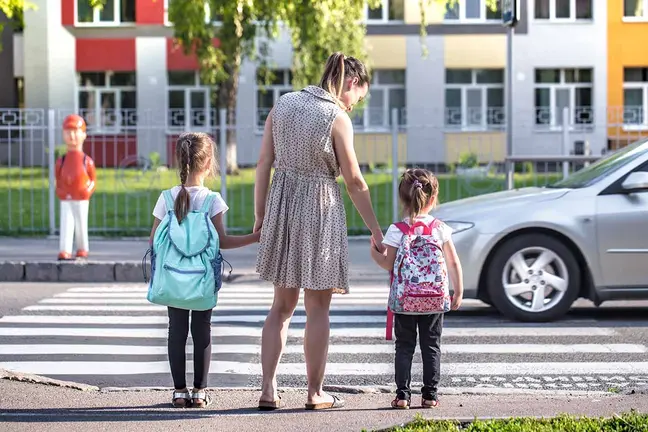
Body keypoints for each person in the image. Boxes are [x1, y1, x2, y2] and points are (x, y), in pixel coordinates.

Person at [253, 52, 385, 410]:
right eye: (360, 95)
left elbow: (264, 162)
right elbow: (355, 181)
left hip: (282, 203)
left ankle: (268, 389)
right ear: (352, 84)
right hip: (319, 209)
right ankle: (314, 393)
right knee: (317, 308)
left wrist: (260, 214)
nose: (357, 103)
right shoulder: (337, 117)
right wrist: (375, 230)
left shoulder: (284, 104)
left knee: (280, 306)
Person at [149, 132, 260, 408]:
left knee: (176, 331)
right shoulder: (212, 201)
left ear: (179, 161)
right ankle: (199, 392)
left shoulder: (166, 198)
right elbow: (222, 241)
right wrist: (254, 237)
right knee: (202, 332)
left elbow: (153, 241)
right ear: (209, 163)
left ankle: (178, 392)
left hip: (173, 279)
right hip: (202, 280)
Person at [370, 168, 464, 409]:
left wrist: (374, 254)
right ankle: (430, 396)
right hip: (433, 300)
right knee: (431, 346)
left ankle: (402, 397)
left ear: (402, 199)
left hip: (405, 301)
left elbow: (388, 264)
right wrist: (458, 290)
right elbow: (452, 261)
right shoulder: (439, 228)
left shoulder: (396, 230)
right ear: (433, 199)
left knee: (404, 347)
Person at [55, 114, 96, 260]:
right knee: (66, 223)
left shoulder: (87, 161)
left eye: (75, 131)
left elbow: (93, 180)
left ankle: (82, 248)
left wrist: (87, 190)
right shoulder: (62, 160)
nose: (72, 136)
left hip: (81, 198)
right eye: (68, 132)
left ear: (83, 134)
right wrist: (60, 191)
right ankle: (65, 249)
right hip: (66, 198)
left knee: (81, 224)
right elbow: (58, 179)